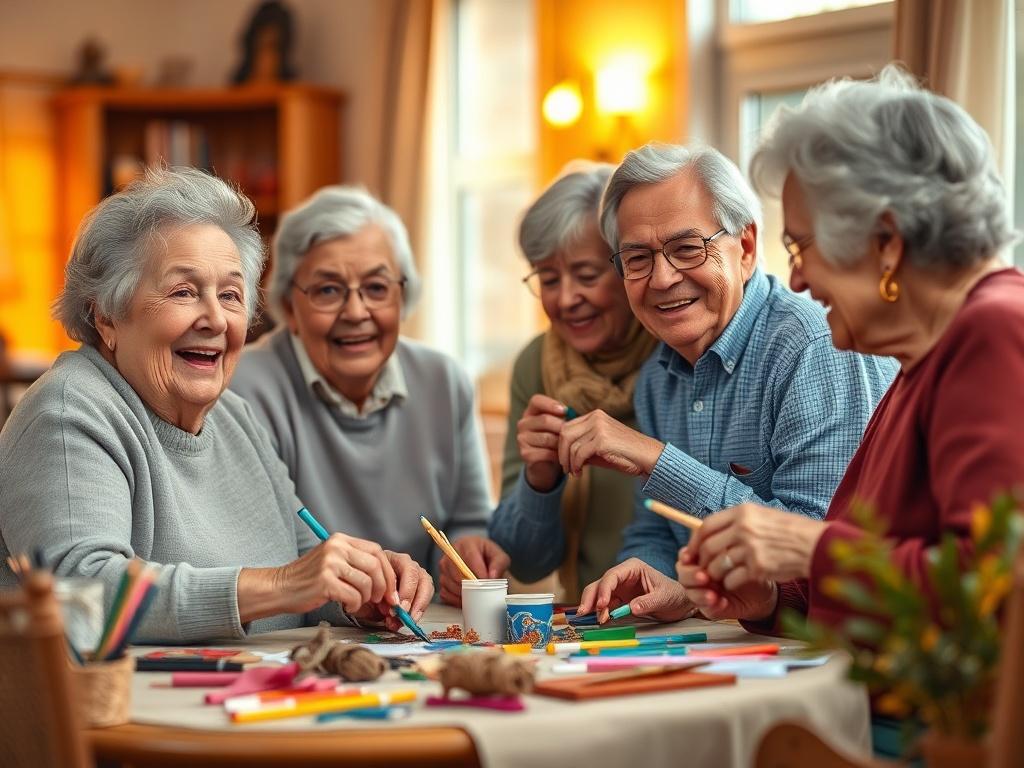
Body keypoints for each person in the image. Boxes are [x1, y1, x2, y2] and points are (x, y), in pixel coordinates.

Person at [615, 66, 1023, 632]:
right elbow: (873, 580)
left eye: (802, 246)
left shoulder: (994, 329)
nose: (799, 279)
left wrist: (811, 547)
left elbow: (996, 583)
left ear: (885, 242)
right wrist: (769, 598)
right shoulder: (923, 356)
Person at [0, 168, 433, 642]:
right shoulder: (69, 413)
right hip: (127, 713)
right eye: (183, 291)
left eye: (230, 295)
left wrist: (362, 590)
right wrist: (283, 585)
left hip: (250, 703)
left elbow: (303, 563)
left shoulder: (234, 417)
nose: (214, 319)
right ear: (105, 315)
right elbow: (83, 594)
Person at [575, 143, 897, 622]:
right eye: (637, 258)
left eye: (687, 249)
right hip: (733, 644)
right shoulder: (657, 378)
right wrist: (646, 572)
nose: (662, 278)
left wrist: (658, 459)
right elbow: (658, 530)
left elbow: (813, 542)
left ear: (745, 248)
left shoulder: (813, 347)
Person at [229, 186, 492, 583]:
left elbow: (469, 520)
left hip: (426, 629)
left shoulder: (444, 382)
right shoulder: (244, 388)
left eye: (376, 288)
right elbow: (265, 556)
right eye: (328, 290)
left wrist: (467, 554)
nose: (356, 312)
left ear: (402, 297)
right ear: (288, 307)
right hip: (304, 633)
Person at [454, 163, 657, 605]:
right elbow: (526, 561)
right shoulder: (538, 366)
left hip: (688, 614)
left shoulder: (675, 351)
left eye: (586, 276)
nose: (566, 299)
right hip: (586, 617)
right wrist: (539, 480)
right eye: (548, 279)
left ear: (630, 266)